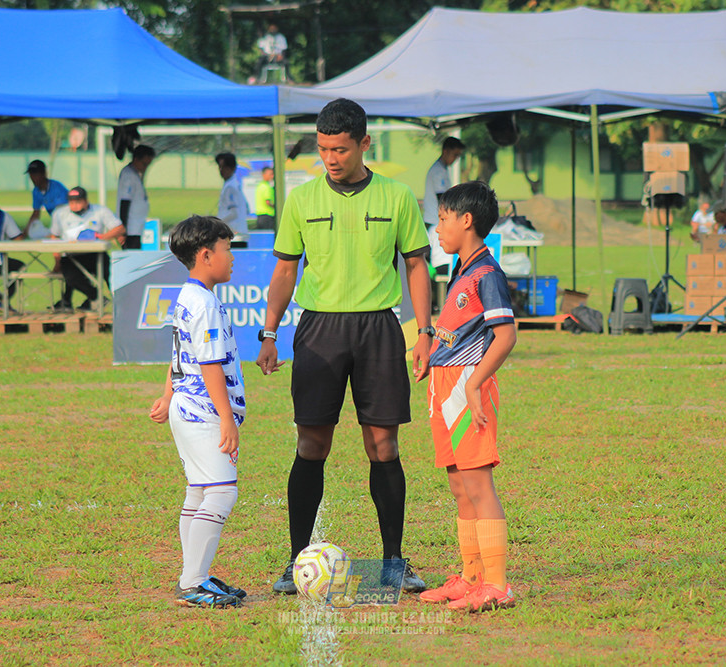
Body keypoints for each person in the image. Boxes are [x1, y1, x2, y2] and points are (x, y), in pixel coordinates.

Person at [255, 98, 433, 595]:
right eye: (323, 149)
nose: (330, 158)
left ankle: (394, 562)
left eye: (340, 149)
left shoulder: (398, 197)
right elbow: (286, 269)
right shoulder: (302, 200)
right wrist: (269, 332)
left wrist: (423, 331)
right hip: (319, 331)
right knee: (312, 444)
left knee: (384, 445)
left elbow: (417, 266)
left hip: (379, 329)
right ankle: (295, 562)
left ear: (364, 144)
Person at [417, 181, 517, 613]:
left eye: (442, 219)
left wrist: (474, 383)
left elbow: (506, 335)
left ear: (466, 220)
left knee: (478, 484)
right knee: (460, 485)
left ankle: (496, 585)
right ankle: (471, 576)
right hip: (445, 386)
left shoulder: (486, 274)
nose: (437, 228)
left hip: (466, 388)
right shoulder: (462, 268)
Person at [148, 215, 247, 609]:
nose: (231, 256)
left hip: (185, 407)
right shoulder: (203, 302)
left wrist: (167, 393)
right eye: (227, 249)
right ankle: (192, 582)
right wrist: (226, 418)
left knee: (200, 491)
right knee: (222, 493)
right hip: (203, 413)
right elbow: (207, 364)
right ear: (206, 255)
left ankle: (196, 576)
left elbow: (179, 354)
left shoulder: (190, 295)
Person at [49, 187, 125, 311]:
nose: (74, 205)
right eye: (71, 202)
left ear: (86, 201)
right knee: (70, 275)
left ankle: (121, 305)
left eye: (78, 201)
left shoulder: (100, 211)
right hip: (71, 255)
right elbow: (54, 236)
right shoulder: (60, 213)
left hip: (94, 254)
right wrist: (56, 258)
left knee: (109, 271)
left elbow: (119, 228)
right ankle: (95, 297)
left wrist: (103, 237)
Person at [117, 144, 155, 249]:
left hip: (136, 226)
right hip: (130, 228)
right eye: (144, 164)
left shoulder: (135, 174)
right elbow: (125, 201)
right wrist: (123, 228)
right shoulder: (128, 175)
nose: (145, 167)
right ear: (136, 159)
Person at [423, 137, 466, 231]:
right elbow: (442, 199)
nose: (456, 159)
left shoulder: (442, 169)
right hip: (434, 222)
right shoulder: (438, 172)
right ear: (446, 151)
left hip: (436, 220)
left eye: (458, 156)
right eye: (455, 155)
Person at [24, 160, 69, 238]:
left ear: (44, 173)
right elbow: (36, 213)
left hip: (66, 222)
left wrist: (54, 233)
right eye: (31, 174)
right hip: (56, 223)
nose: (32, 177)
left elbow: (62, 212)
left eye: (35, 174)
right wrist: (25, 232)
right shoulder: (36, 191)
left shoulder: (57, 188)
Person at [215, 153, 249, 237]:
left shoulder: (230, 187)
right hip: (235, 232)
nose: (221, 170)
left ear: (232, 168)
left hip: (234, 233)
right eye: (220, 167)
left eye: (224, 167)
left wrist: (216, 223)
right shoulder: (234, 184)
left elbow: (234, 213)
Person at [254, 166, 275, 230]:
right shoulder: (266, 187)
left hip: (260, 216)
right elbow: (268, 202)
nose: (272, 176)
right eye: (270, 174)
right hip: (267, 216)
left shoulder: (260, 185)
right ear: (264, 175)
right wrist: (277, 208)